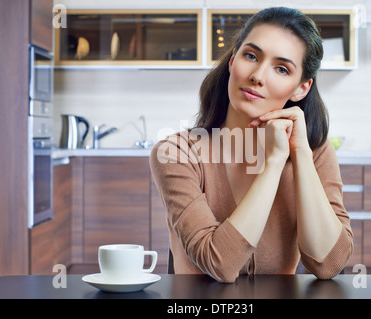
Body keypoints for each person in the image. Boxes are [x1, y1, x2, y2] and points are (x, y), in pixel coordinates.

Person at [150, 7, 353, 283]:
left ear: (301, 88)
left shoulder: (315, 151)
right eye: (251, 56)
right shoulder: (176, 153)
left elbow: (328, 265)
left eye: (281, 69)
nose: (258, 75)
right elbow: (219, 264)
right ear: (233, 61)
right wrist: (273, 163)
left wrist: (301, 154)